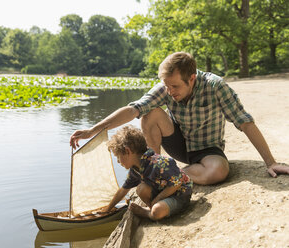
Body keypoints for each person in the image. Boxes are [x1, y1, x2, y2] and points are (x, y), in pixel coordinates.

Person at [70, 52, 289, 185]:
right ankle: (153, 170)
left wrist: (270, 162)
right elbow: (133, 109)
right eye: (166, 85)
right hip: (179, 143)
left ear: (191, 78)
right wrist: (92, 130)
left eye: (174, 86)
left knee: (220, 171)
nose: (170, 90)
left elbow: (245, 122)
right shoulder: (167, 86)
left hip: (207, 149)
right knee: (150, 112)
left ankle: (170, 175)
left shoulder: (216, 86)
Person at [103, 125, 192, 220]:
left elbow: (176, 184)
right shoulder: (135, 169)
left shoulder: (159, 163)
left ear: (127, 151)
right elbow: (123, 190)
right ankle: (152, 208)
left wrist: (158, 199)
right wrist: (108, 209)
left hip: (179, 196)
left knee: (157, 211)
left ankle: (149, 213)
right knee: (141, 189)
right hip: (164, 193)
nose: (118, 161)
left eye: (118, 156)